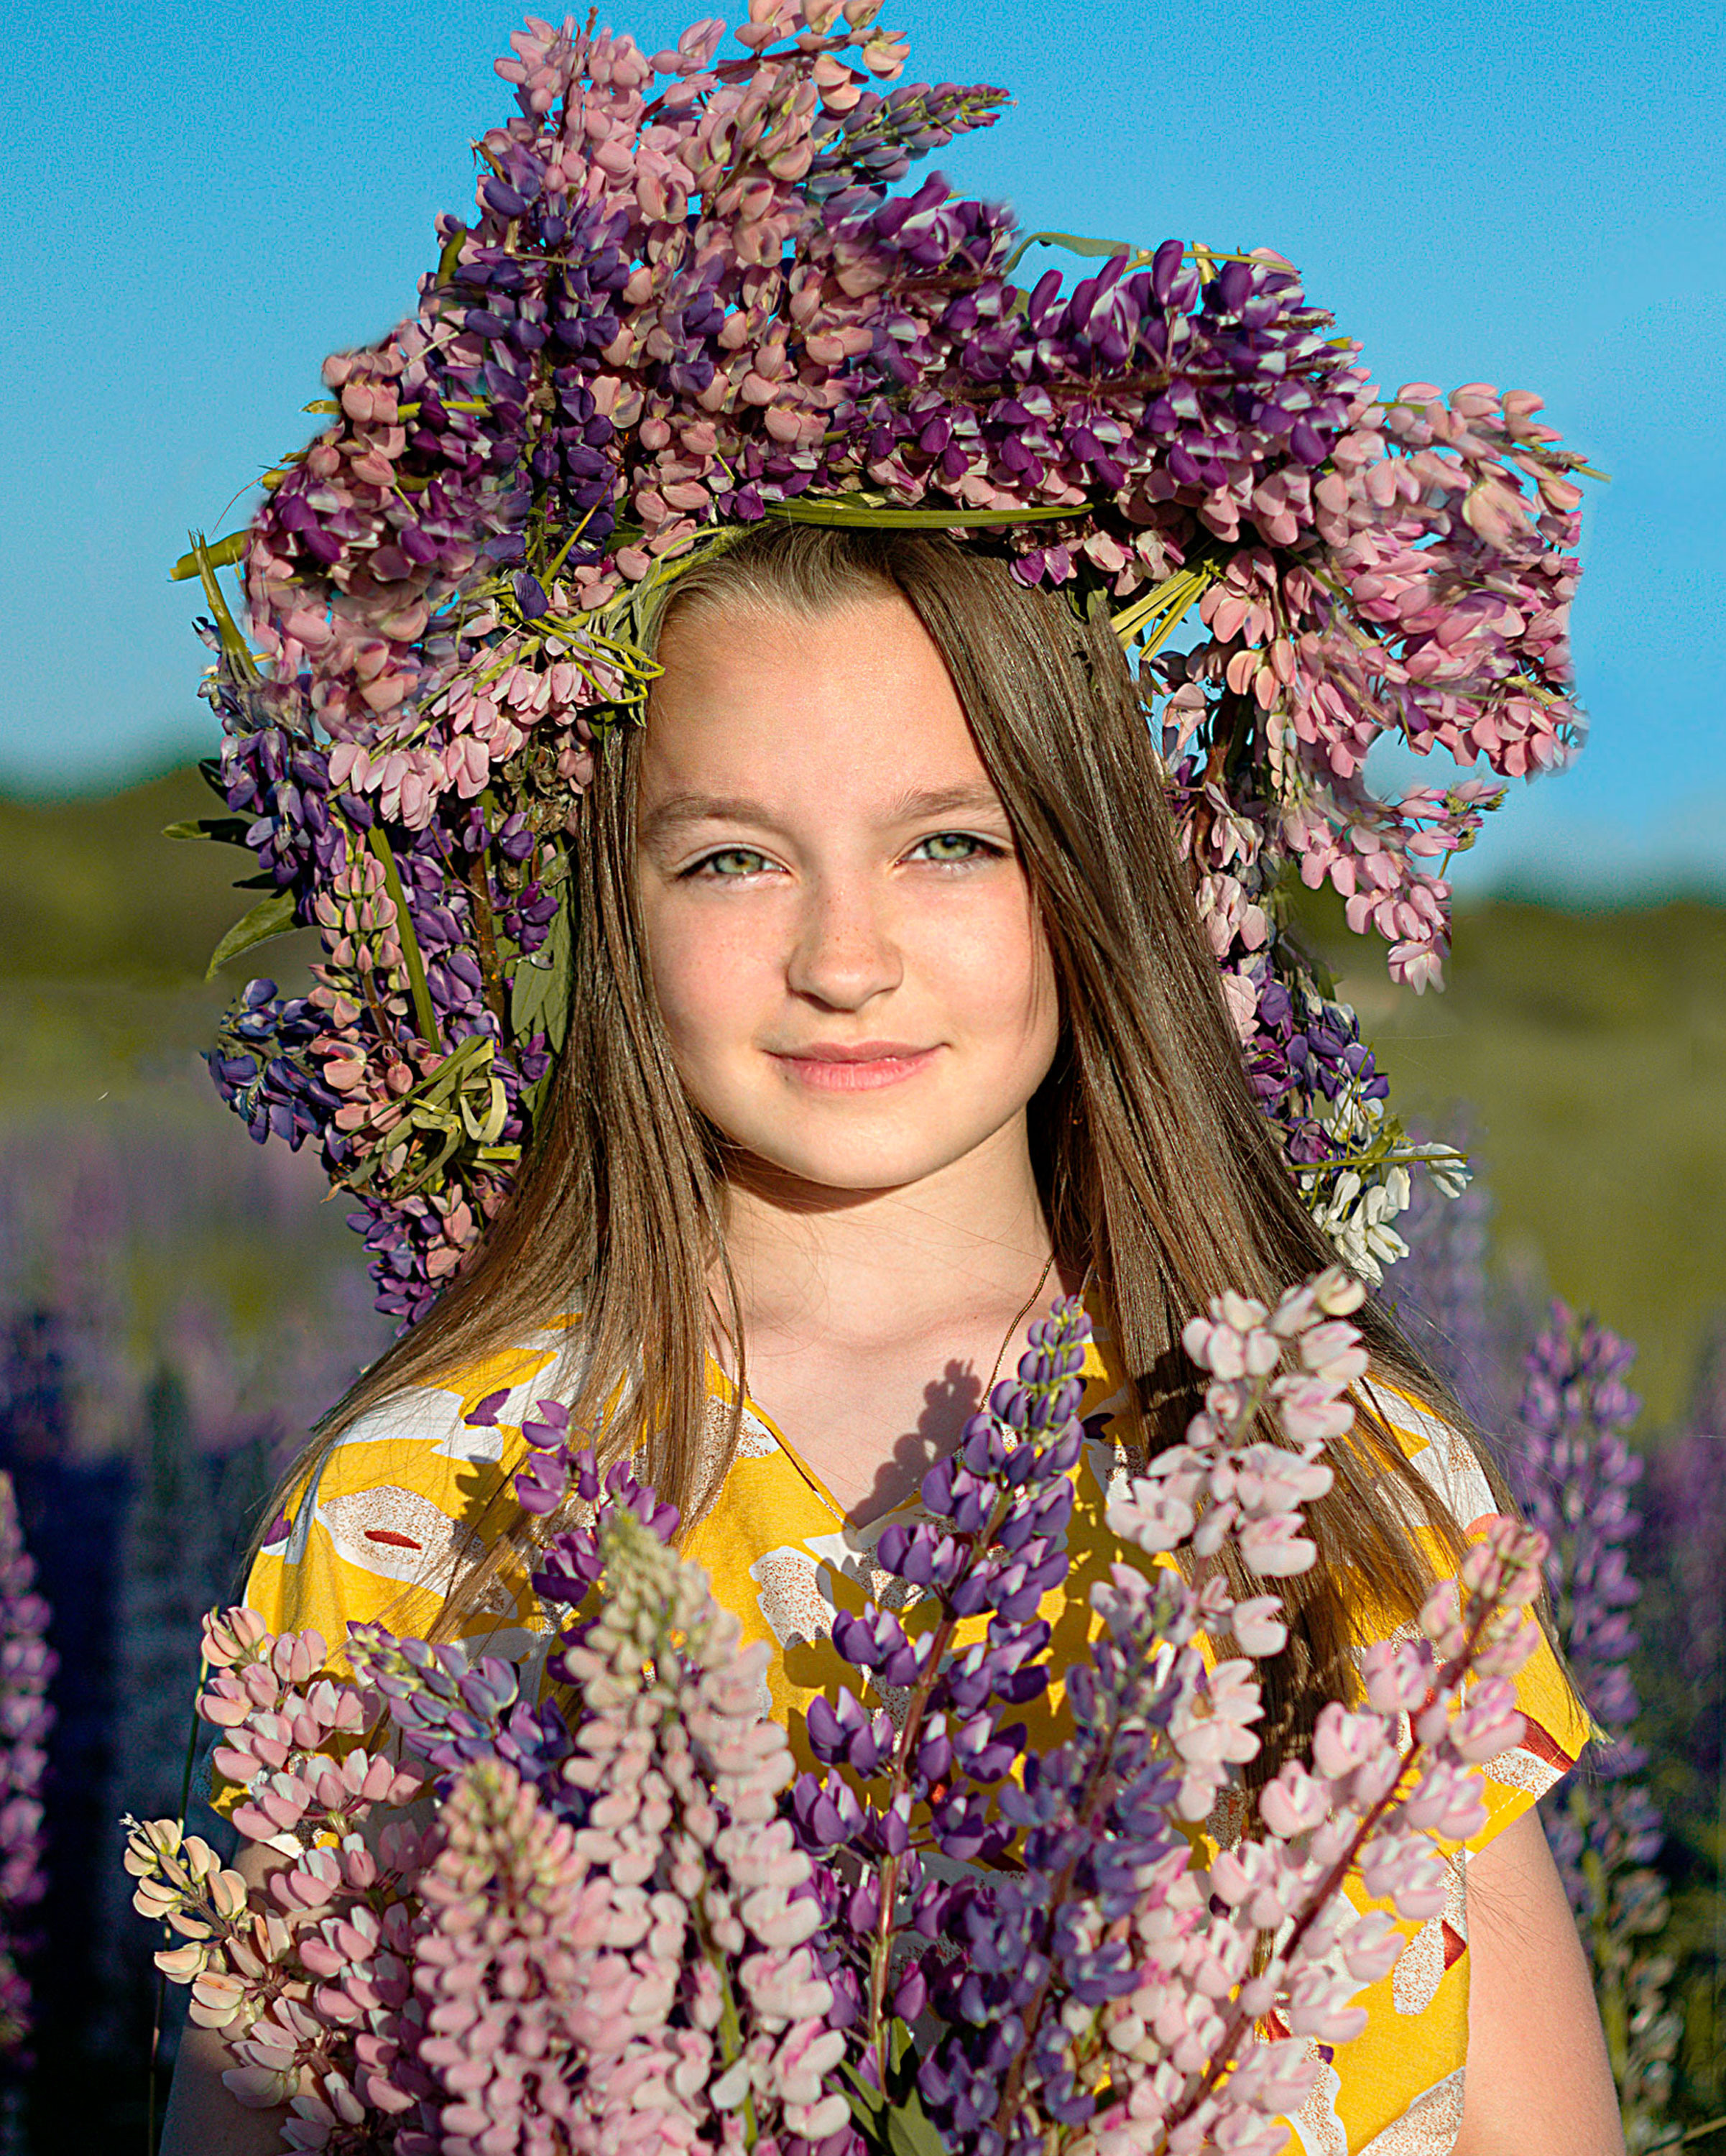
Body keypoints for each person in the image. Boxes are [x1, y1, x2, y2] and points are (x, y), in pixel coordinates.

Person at [163, 525, 1622, 2156]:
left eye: (949, 844)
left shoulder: (1332, 1469)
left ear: (1090, 875)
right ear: (613, 913)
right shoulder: (424, 1504)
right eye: (730, 858)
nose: (844, 960)